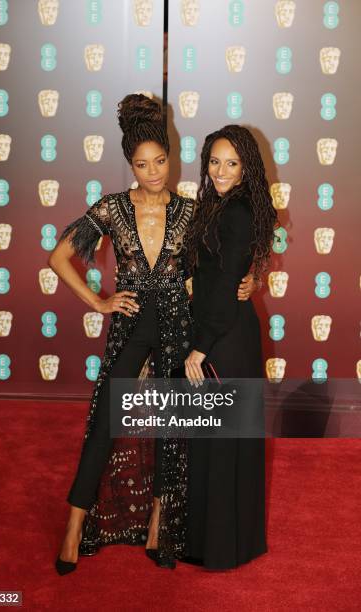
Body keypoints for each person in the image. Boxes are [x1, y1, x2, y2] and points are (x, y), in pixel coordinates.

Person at [49, 95, 256, 575]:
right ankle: (74, 526)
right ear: (130, 165)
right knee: (105, 422)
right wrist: (99, 302)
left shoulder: (192, 213)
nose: (153, 172)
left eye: (160, 161)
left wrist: (253, 281)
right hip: (130, 327)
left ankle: (159, 523)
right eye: (142, 164)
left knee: (171, 427)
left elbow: (223, 266)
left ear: (171, 158)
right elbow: (58, 258)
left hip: (178, 327)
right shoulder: (112, 209)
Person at [184, 125, 278, 570]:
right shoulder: (218, 204)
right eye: (215, 161)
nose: (220, 170)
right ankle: (227, 542)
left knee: (220, 443)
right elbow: (214, 271)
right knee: (220, 441)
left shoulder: (236, 211)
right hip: (223, 331)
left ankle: (219, 547)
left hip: (224, 339)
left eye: (231, 163)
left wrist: (200, 348)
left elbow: (225, 286)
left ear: (246, 169)